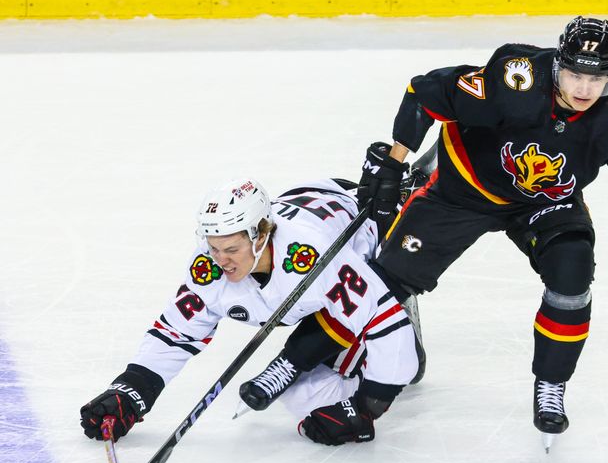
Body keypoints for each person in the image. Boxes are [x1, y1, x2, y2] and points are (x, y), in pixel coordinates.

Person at [357, 16, 608, 448]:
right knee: (388, 279)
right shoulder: (516, 78)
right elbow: (426, 92)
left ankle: (551, 385)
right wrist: (394, 159)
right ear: (558, 65)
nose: (584, 89)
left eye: (597, 78)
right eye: (575, 74)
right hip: (464, 189)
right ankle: (384, 332)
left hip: (545, 201)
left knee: (573, 271)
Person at [79, 176, 423, 447]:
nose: (220, 260)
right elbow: (177, 332)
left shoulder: (315, 260)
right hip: (310, 195)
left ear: (262, 235)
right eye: (213, 248)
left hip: (359, 235)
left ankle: (398, 281)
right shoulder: (210, 268)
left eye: (231, 249)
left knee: (329, 375)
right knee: (305, 396)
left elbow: (386, 324)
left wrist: (366, 408)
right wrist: (132, 390)